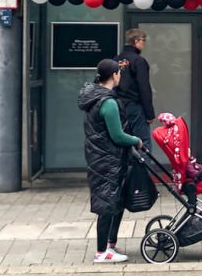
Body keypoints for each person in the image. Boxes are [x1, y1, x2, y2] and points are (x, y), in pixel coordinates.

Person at [78, 59, 142, 264]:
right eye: (119, 73)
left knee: (114, 201)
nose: (120, 77)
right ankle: (101, 252)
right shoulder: (108, 102)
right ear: (114, 75)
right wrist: (137, 140)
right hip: (108, 159)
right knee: (107, 204)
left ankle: (110, 245)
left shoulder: (96, 97)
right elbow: (118, 136)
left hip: (100, 157)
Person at [115, 29, 155, 148]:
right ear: (136, 41)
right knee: (143, 143)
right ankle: (141, 167)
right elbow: (144, 87)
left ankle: (128, 166)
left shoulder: (116, 59)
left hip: (118, 106)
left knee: (125, 142)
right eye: (143, 40)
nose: (144, 44)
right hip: (135, 107)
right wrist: (149, 114)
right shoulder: (139, 61)